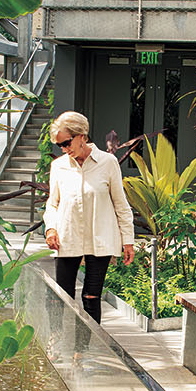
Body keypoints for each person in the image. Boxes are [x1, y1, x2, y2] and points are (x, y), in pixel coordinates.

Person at [43, 111, 135, 323]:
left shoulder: (108, 163)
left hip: (100, 240)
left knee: (91, 298)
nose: (65, 149)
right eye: (60, 146)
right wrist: (51, 229)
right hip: (67, 239)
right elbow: (53, 203)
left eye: (67, 143)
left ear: (82, 135)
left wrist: (128, 241)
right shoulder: (59, 166)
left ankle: (84, 352)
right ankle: (55, 347)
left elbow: (121, 204)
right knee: (61, 298)